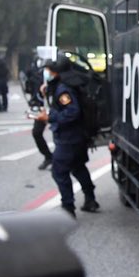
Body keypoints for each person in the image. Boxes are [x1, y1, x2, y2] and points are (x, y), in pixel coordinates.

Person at [36, 57, 99, 217]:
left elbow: (72, 112)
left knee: (59, 171)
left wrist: (49, 118)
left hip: (69, 138)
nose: (47, 73)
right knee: (78, 167)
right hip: (77, 136)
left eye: (49, 70)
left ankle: (68, 208)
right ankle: (90, 200)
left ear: (56, 72)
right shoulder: (67, 84)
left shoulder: (64, 89)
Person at [24, 58, 54, 170]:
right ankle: (48, 156)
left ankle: (59, 159)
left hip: (56, 109)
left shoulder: (60, 79)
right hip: (42, 108)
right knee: (36, 132)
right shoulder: (37, 75)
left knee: (59, 135)